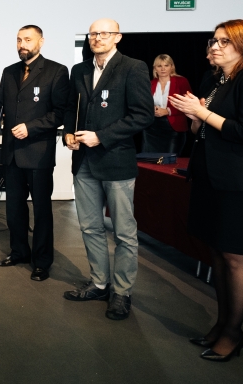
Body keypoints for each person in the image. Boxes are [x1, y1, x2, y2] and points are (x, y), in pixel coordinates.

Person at [169, 19, 243, 361]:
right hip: (212, 176)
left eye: (223, 42)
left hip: (242, 182)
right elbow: (202, 131)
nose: (214, 47)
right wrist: (195, 117)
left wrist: (201, 112)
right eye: (213, 41)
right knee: (217, 253)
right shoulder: (216, 80)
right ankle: (221, 324)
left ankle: (233, 334)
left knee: (235, 256)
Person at [62, 19, 153, 320]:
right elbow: (71, 108)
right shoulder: (80, 70)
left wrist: (101, 136)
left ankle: (122, 292)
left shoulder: (133, 67)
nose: (97, 37)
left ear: (117, 37)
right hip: (83, 161)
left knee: (124, 233)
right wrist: (68, 133)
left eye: (104, 33)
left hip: (116, 160)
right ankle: (100, 284)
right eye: (93, 33)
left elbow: (142, 115)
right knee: (90, 227)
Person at [0, 26, 69, 279]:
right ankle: (19, 251)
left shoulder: (56, 71)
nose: (22, 44)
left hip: (38, 153)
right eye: (19, 40)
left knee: (41, 211)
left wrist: (30, 128)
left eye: (28, 39)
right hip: (12, 153)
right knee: (14, 209)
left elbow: (59, 113)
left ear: (41, 42)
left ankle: (42, 261)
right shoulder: (9, 71)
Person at [142, 54, 191, 154]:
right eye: (159, 66)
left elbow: (189, 104)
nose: (163, 69)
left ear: (172, 67)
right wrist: (151, 109)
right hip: (152, 128)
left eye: (166, 65)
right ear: (155, 68)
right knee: (150, 160)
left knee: (170, 160)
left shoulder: (181, 81)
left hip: (173, 128)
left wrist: (168, 111)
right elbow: (143, 103)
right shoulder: (150, 83)